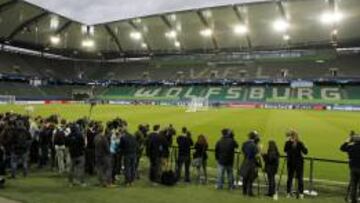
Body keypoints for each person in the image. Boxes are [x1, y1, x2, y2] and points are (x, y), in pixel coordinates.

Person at [284, 130, 308, 199]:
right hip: (299, 163)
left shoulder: (287, 143)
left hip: (290, 163)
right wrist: (306, 147)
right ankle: (301, 194)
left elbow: (285, 150)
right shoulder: (300, 143)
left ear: (291, 136)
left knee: (290, 178)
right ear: (296, 136)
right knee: (300, 178)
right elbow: (305, 152)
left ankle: (288, 193)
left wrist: (288, 142)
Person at [240, 131, 261, 196]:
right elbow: (257, 155)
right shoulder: (254, 145)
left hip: (245, 161)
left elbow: (243, 151)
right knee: (251, 177)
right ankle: (250, 192)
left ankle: (244, 191)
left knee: (245, 177)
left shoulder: (244, 143)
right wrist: (259, 150)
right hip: (252, 162)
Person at [341, 133, 360, 203]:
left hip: (353, 168)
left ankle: (353, 200)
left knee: (353, 185)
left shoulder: (351, 147)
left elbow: (342, 148)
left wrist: (347, 140)